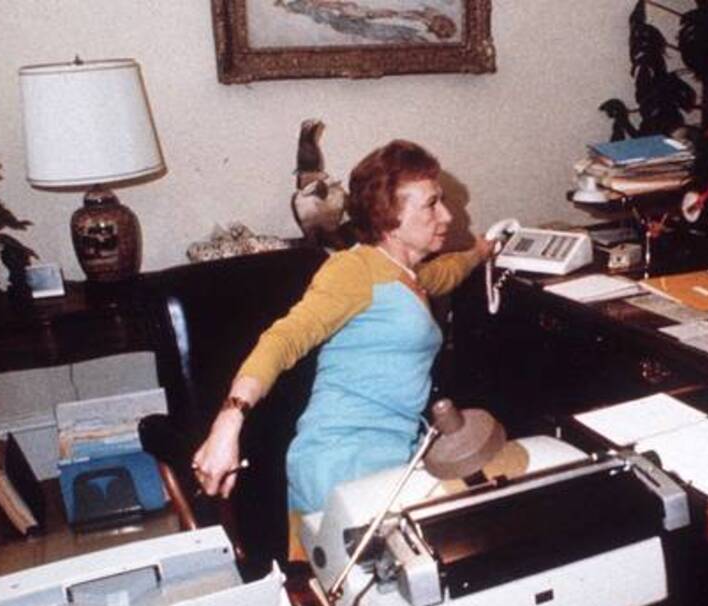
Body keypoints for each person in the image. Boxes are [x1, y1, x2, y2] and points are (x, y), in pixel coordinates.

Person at [191, 140, 492, 522]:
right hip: (343, 461)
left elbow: (444, 273)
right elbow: (281, 340)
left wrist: (481, 251)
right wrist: (228, 421)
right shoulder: (352, 271)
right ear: (389, 217)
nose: (447, 216)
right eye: (432, 204)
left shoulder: (407, 273)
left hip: (398, 451)